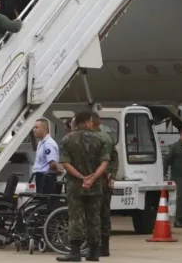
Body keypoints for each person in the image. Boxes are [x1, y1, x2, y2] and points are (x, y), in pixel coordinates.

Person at [56, 112, 110, 262]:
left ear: (76, 123)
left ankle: (75, 252)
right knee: (94, 218)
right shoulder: (100, 139)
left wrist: (81, 177)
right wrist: (93, 178)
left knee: (75, 217)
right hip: (95, 187)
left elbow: (65, 163)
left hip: (75, 186)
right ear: (87, 122)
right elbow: (105, 163)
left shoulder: (67, 140)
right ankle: (94, 252)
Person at [89, 113, 118, 257]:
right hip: (105, 181)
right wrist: (112, 175)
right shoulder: (107, 137)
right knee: (105, 214)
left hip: (96, 180)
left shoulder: (94, 139)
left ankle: (95, 246)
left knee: (94, 214)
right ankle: (104, 247)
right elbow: (114, 158)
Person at [32, 119, 60, 194]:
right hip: (41, 178)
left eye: (36, 127)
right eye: (34, 128)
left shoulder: (48, 144)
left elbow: (53, 163)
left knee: (44, 202)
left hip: (46, 179)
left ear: (44, 129)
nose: (34, 130)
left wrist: (57, 171)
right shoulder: (41, 143)